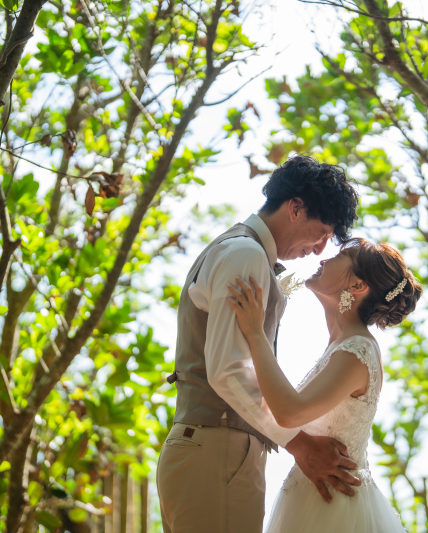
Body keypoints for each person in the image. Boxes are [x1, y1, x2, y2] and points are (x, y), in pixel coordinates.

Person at [156, 155, 361, 532]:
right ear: (295, 208)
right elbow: (228, 371)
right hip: (218, 450)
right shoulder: (246, 255)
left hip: (210, 449)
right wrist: (300, 446)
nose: (319, 249)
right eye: (322, 232)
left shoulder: (239, 249)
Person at [227, 237, 422, 532]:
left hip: (335, 510)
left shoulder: (358, 351)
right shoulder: (343, 346)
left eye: (342, 256)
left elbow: (289, 413)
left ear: (357, 286)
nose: (324, 259)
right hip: (315, 497)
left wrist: (255, 334)